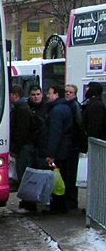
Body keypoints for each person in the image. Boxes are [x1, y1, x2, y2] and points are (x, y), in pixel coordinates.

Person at [36, 84, 74, 213]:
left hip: (58, 151)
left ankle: (58, 206)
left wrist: (50, 153)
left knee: (56, 179)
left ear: (57, 95)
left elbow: (54, 133)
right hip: (63, 149)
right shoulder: (64, 108)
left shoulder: (57, 111)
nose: (47, 95)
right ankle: (59, 205)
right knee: (60, 177)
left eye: (50, 93)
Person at [9, 84, 35, 187]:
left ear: (16, 95)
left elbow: (21, 131)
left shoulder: (21, 109)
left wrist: (15, 149)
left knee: (23, 173)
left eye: (10, 94)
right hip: (24, 147)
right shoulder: (21, 108)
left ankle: (27, 201)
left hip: (24, 148)